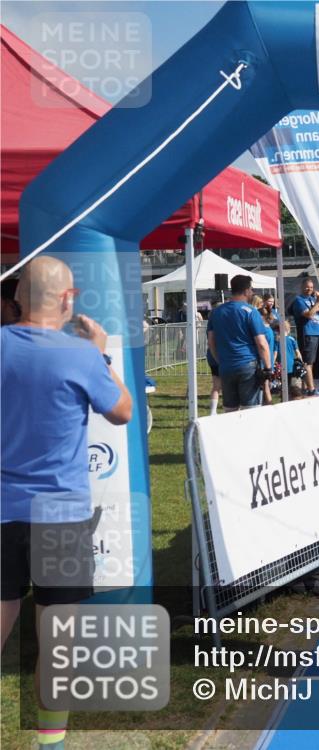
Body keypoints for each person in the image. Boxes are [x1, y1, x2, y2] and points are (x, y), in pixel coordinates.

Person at [1, 257, 133, 750]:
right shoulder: (80, 356)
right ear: (68, 298)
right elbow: (121, 411)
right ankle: (50, 743)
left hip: (3, 509)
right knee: (58, 640)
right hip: (60, 513)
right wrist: (100, 355)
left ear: (16, 298)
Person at [207, 275, 271, 411]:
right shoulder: (251, 312)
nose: (252, 292)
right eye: (251, 289)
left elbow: (211, 342)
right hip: (247, 365)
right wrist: (268, 367)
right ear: (247, 290)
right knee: (250, 410)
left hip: (226, 366)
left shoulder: (216, 312)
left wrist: (220, 360)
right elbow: (261, 343)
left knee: (230, 411)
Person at [290, 278, 319, 395]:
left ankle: (307, 387)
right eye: (307, 287)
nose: (309, 289)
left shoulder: (312, 299)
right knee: (307, 363)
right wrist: (318, 302)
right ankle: (311, 389)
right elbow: (309, 314)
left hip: (315, 332)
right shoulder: (299, 301)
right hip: (307, 333)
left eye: (311, 287)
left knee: (311, 362)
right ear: (301, 287)